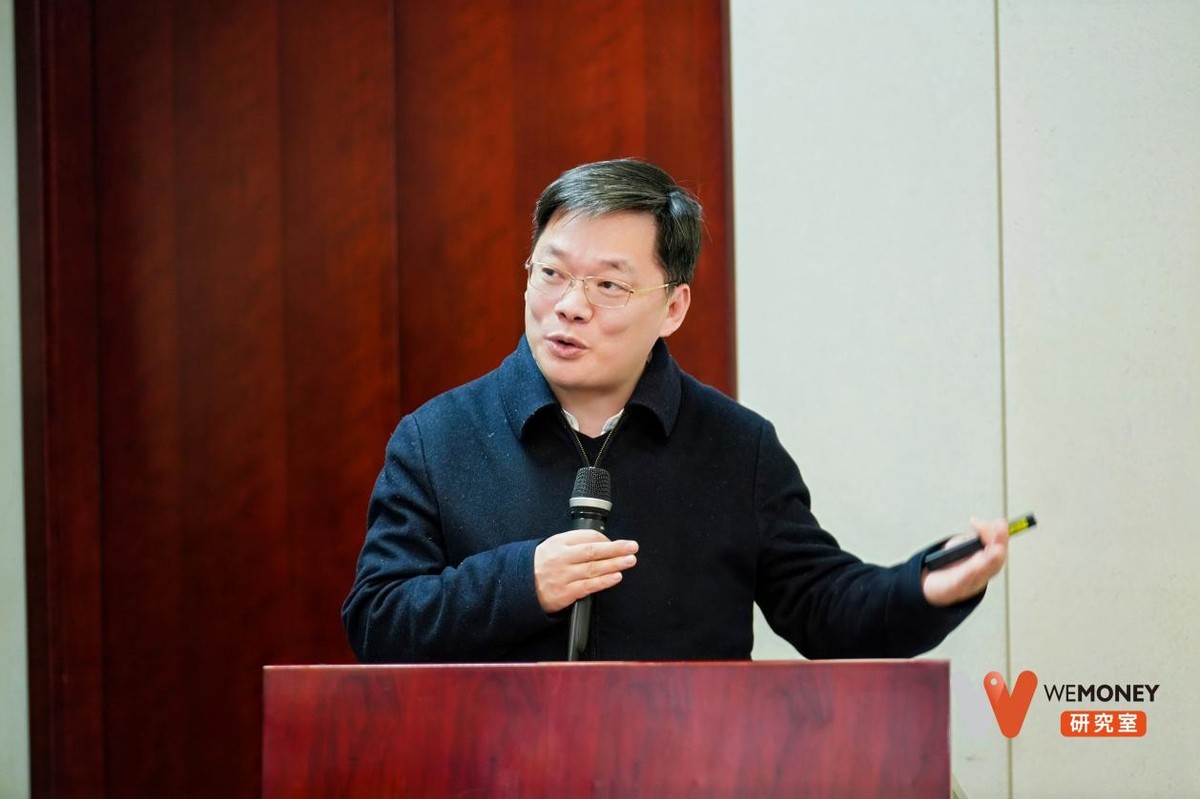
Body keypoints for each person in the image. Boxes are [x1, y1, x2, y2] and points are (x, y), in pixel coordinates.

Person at [342, 158, 1009, 663]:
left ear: (673, 307)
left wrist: (923, 588)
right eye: (551, 273)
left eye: (608, 284)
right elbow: (377, 620)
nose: (569, 306)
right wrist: (521, 582)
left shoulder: (737, 448)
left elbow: (824, 607)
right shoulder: (437, 439)